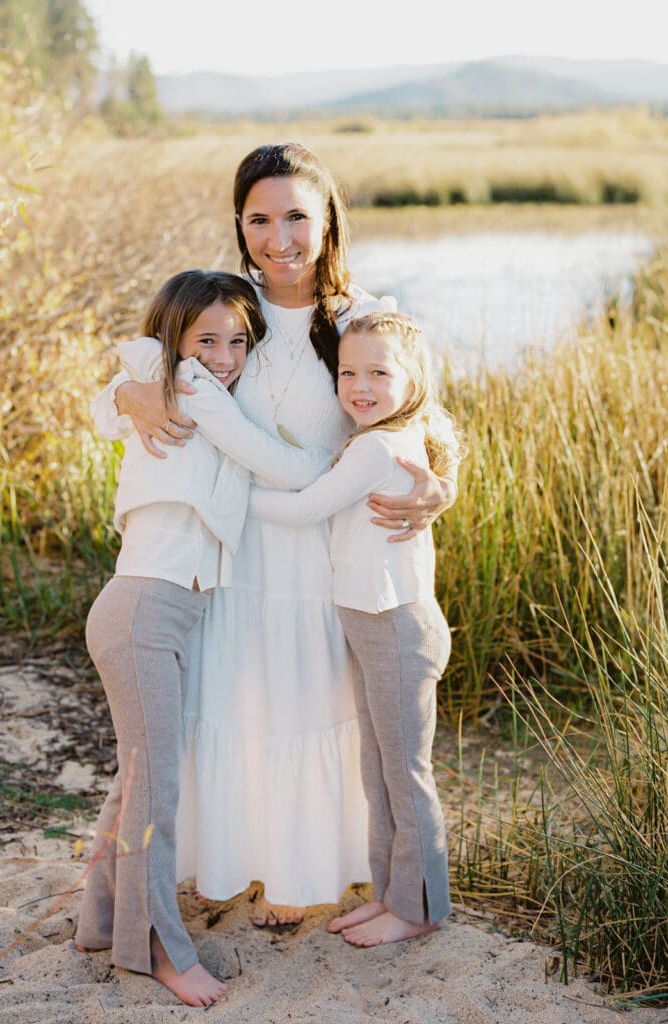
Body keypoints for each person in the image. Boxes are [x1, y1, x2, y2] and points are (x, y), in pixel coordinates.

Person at [91, 143, 458, 926]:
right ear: (240, 224)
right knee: (235, 705)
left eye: (296, 215)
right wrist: (125, 392)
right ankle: (236, 868)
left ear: (327, 222)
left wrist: (438, 483)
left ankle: (312, 878)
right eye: (259, 218)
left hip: (323, 558)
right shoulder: (228, 307)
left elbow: (421, 415)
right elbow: (130, 389)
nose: (278, 236)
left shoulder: (362, 315)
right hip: (231, 557)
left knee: (311, 711)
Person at [74, 269, 331, 1007]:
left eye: (239, 340)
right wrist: (346, 458)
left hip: (160, 612)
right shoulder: (187, 386)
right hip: (142, 611)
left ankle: (100, 922)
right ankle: (156, 950)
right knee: (156, 791)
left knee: (136, 781)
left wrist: (122, 393)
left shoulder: (184, 389)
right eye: (207, 338)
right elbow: (281, 464)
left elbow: (110, 406)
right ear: (178, 339)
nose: (223, 354)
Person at [248, 311, 464, 945]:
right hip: (372, 627)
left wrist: (227, 496)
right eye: (347, 372)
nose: (359, 385)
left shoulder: (376, 446)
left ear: (412, 378)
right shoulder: (385, 437)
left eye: (378, 372)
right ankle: (388, 893)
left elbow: (309, 507)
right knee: (376, 769)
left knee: (404, 773)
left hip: (397, 626)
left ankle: (420, 909)